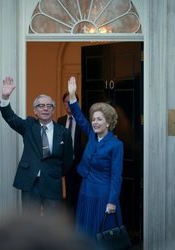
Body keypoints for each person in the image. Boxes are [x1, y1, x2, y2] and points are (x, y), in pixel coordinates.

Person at [0, 76, 74, 215]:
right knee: (29, 221)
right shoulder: (29, 126)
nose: (45, 108)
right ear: (35, 111)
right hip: (30, 181)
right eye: (41, 106)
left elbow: (68, 160)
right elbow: (10, 117)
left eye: (49, 106)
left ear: (53, 110)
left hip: (52, 182)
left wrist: (54, 171)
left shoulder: (63, 132)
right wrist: (5, 97)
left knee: (52, 224)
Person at [67, 76, 124, 237]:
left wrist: (112, 201)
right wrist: (72, 95)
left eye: (99, 119)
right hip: (86, 190)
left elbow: (116, 176)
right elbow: (78, 116)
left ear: (108, 123)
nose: (95, 122)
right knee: (84, 232)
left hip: (103, 195)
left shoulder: (116, 145)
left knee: (100, 234)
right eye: (93, 119)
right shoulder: (92, 135)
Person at [57, 92, 84, 217]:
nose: (68, 104)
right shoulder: (60, 121)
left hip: (80, 164)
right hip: (66, 164)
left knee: (79, 196)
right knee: (67, 196)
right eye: (66, 102)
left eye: (71, 101)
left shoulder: (83, 121)